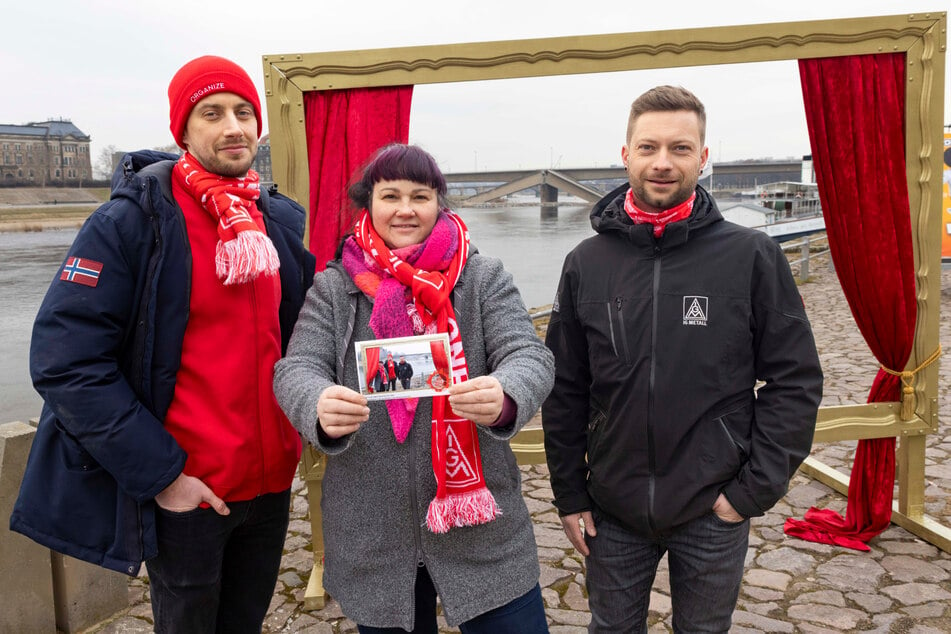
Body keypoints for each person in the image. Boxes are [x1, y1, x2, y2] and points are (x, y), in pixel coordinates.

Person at [10, 55, 316, 633]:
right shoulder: (132, 222)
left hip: (272, 483)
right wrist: (163, 478)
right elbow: (65, 363)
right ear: (183, 130)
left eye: (245, 111)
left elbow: (308, 336)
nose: (234, 126)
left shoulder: (273, 220)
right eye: (213, 112)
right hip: (189, 489)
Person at [542, 85, 823, 633]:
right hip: (612, 509)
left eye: (680, 148)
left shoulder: (751, 256)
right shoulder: (586, 263)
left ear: (703, 157)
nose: (663, 163)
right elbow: (566, 387)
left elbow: (795, 380)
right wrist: (571, 494)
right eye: (648, 148)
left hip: (712, 507)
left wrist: (748, 494)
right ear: (626, 155)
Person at [273, 143, 554, 633]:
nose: (405, 209)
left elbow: (529, 355)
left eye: (420, 196)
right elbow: (295, 368)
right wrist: (317, 403)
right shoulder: (334, 288)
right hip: (372, 527)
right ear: (369, 204)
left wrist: (505, 393)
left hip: (481, 523)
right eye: (391, 195)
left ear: (439, 203)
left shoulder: (482, 278)